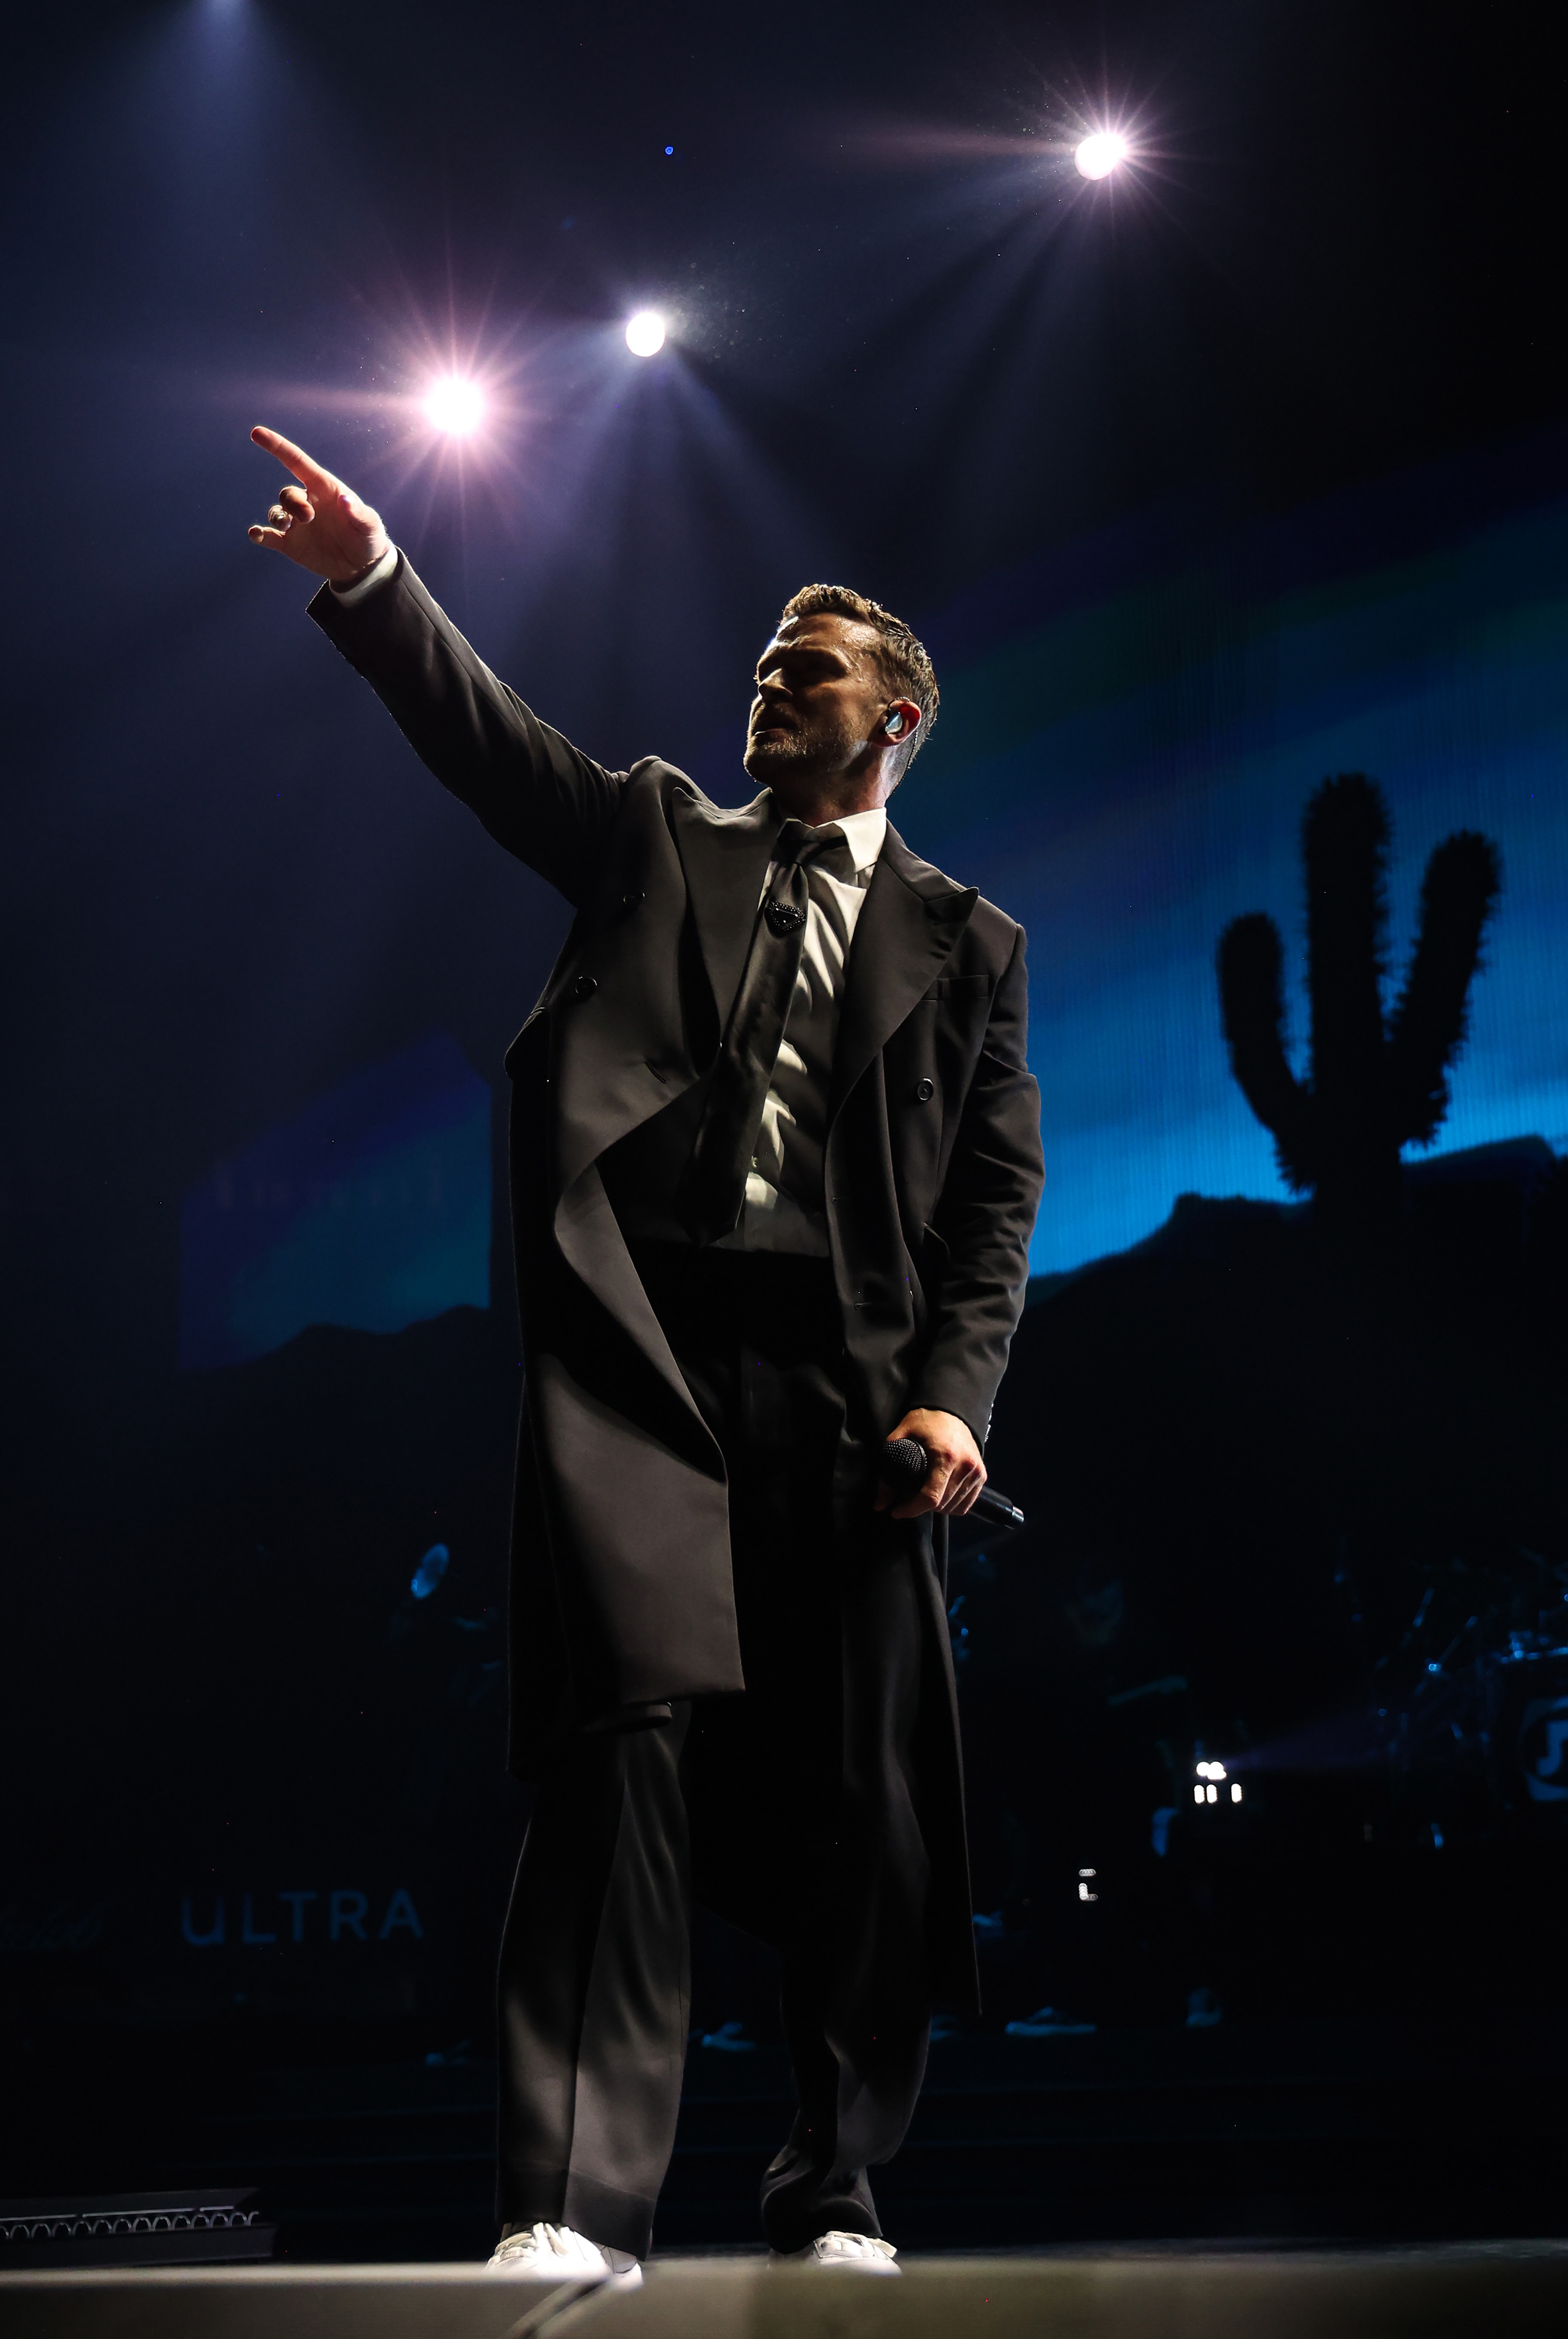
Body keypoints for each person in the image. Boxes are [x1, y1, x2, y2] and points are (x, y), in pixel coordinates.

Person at [246, 426, 1045, 2281]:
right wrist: (375, 583)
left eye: (810, 669)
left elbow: (992, 1203)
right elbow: (492, 742)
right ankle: (570, 2203)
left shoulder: (969, 942)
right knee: (622, 1764)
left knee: (861, 1801)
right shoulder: (657, 836)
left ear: (895, 717)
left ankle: (831, 2188)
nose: (769, 686)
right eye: (762, 663)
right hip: (645, 1364)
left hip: (851, 1400)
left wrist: (953, 1393)